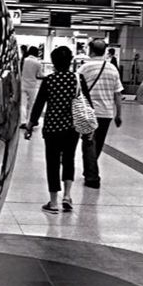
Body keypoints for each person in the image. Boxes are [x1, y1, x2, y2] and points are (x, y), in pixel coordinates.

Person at [24, 46, 92, 214]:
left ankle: (53, 202)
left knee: (52, 163)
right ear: (70, 61)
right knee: (69, 159)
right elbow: (87, 103)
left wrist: (30, 125)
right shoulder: (78, 79)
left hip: (52, 127)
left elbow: (39, 104)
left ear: (53, 62)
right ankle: (67, 196)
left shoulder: (50, 80)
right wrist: (89, 127)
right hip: (72, 127)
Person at [77, 38, 123, 189]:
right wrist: (119, 114)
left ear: (91, 50)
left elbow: (76, 89)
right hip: (106, 114)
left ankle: (91, 175)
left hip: (88, 112)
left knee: (88, 143)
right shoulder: (112, 69)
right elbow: (118, 94)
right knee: (98, 144)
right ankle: (91, 170)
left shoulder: (84, 68)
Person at [20, 46, 43, 129]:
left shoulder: (24, 60)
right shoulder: (38, 63)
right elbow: (40, 75)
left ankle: (22, 122)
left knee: (22, 104)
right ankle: (29, 121)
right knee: (31, 105)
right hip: (32, 86)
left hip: (22, 84)